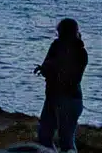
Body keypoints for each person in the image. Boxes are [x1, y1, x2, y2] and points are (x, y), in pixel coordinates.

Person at [33, 18, 88, 153]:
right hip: (57, 97)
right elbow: (49, 66)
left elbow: (66, 74)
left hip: (66, 98)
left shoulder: (77, 51)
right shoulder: (64, 48)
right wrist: (46, 68)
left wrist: (48, 69)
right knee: (45, 137)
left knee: (66, 142)